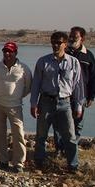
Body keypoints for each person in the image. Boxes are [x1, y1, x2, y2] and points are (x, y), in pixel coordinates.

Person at [30, 31, 84, 172]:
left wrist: (78, 105)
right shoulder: (43, 61)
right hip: (46, 101)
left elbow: (78, 85)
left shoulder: (73, 62)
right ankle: (39, 162)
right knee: (41, 135)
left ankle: (73, 166)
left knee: (70, 136)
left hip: (65, 103)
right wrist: (33, 103)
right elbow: (36, 83)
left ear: (65, 44)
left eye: (58, 43)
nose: (55, 45)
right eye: (53, 42)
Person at [0, 42, 32, 172]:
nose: (7, 54)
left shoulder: (24, 68)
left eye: (10, 51)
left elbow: (28, 87)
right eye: (5, 51)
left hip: (15, 106)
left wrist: (16, 97)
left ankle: (19, 163)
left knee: (18, 133)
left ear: (16, 53)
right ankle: (2, 160)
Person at [66, 26, 95, 142]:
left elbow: (93, 77)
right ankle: (60, 149)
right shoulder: (63, 52)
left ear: (82, 39)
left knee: (78, 124)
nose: (72, 38)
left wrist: (91, 97)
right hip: (65, 95)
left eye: (75, 36)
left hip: (82, 95)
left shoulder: (88, 55)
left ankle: (73, 147)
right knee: (61, 124)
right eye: (71, 36)